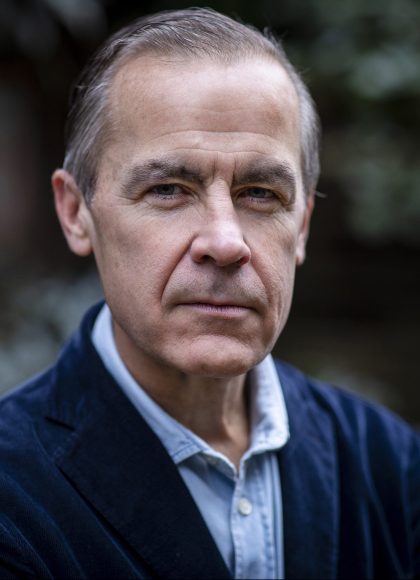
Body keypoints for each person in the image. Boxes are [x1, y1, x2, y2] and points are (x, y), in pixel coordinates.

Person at [0, 7, 418, 579]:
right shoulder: (13, 499)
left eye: (261, 193)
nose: (225, 243)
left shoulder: (389, 465)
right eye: (168, 189)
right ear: (76, 213)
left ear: (302, 226)